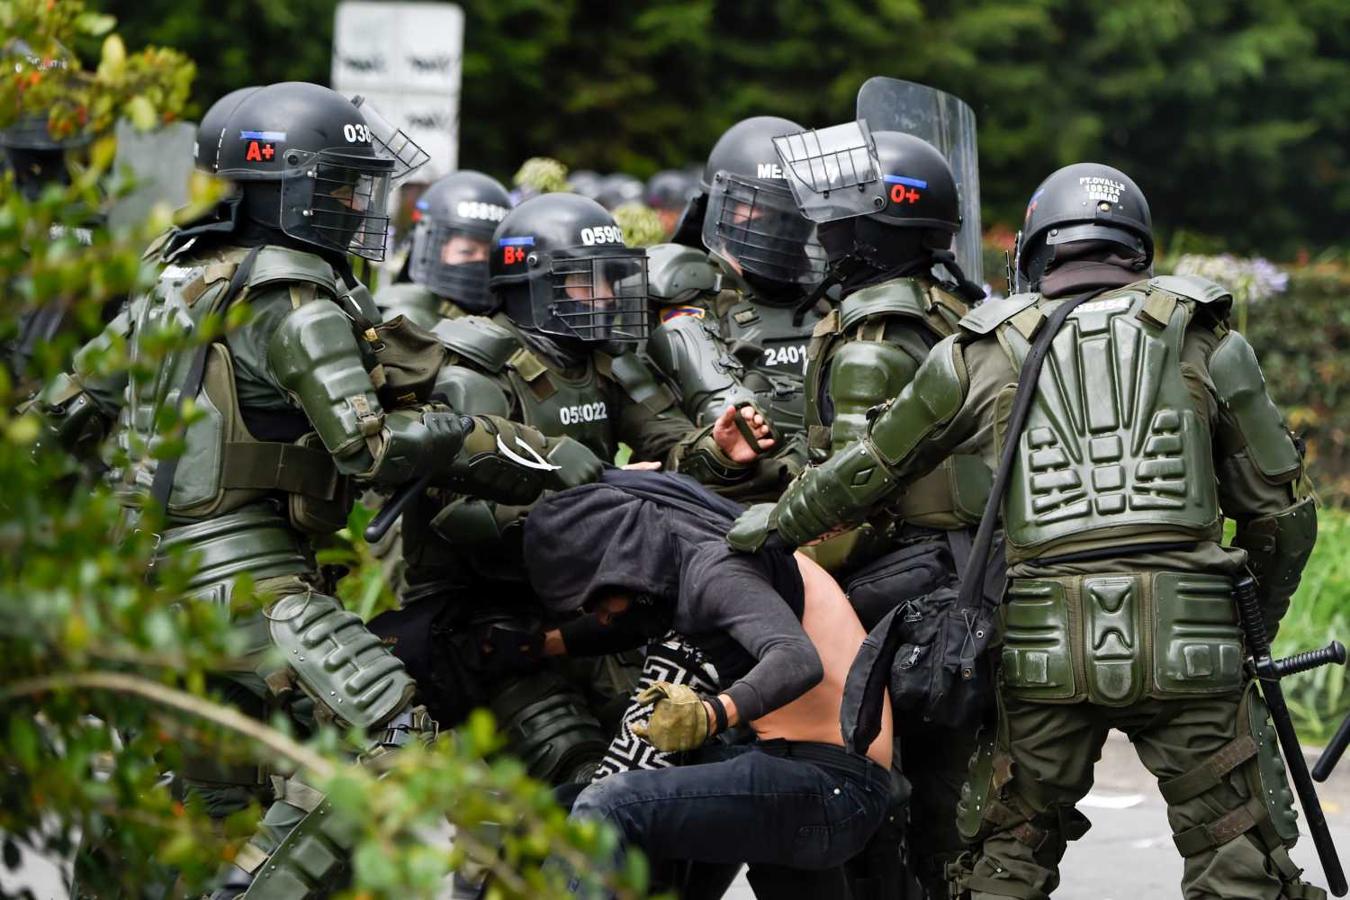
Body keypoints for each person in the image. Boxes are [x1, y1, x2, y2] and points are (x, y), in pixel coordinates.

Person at [729, 162, 1324, 900]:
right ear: (1136, 245)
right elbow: (1285, 518)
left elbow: (868, 469)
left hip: (1043, 653)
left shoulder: (980, 350)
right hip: (1192, 648)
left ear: (1039, 249)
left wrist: (769, 527)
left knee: (1003, 865)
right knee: (1242, 868)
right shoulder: (1204, 338)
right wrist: (1249, 625)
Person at [32, 81, 568, 900]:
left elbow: (49, 425)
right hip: (250, 586)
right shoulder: (295, 296)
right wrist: (472, 435)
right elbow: (371, 452)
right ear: (282, 188)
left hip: (148, 589)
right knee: (395, 757)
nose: (357, 204)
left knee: (211, 793)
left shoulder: (170, 284)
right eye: (341, 186)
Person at [370, 192, 776, 785]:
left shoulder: (603, 362)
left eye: (613, 281)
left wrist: (714, 449)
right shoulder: (478, 372)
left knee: (673, 768)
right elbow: (459, 518)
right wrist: (594, 508)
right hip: (493, 620)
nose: (608, 297)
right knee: (575, 774)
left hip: (593, 615)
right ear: (531, 285)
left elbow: (668, 446)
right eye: (589, 284)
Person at [776, 121, 990, 897]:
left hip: (899, 588)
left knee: (882, 799)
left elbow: (849, 495)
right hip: (969, 575)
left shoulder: (872, 339)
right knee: (951, 804)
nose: (825, 235)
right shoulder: (958, 311)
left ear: (873, 228)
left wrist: (774, 555)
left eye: (839, 219)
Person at [524, 470, 893, 893]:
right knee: (562, 806)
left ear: (617, 561)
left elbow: (796, 658)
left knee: (607, 805)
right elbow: (627, 626)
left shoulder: (713, 568)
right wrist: (540, 645)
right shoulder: (684, 557)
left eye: (594, 599)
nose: (599, 615)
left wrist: (710, 714)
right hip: (794, 769)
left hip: (834, 785)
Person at [373, 169, 511, 329]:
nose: (480, 261)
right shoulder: (405, 321)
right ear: (431, 250)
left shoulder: (502, 321)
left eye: (489, 255)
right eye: (466, 251)